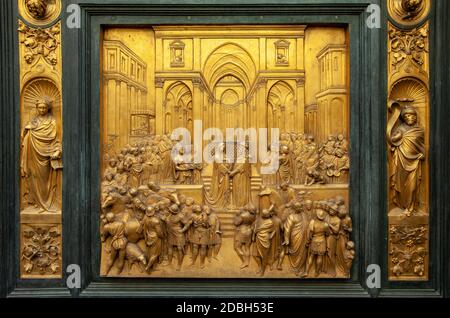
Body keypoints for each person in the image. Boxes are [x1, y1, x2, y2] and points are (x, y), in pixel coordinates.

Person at [21, 98, 62, 212]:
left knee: (44, 180)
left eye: (44, 107)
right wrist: (25, 130)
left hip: (47, 153)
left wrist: (57, 150)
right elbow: (24, 135)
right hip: (32, 153)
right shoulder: (33, 122)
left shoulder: (52, 121)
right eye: (40, 107)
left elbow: (57, 139)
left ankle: (46, 203)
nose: (42, 109)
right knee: (33, 177)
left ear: (48, 108)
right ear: (37, 108)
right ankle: (36, 202)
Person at [387, 105, 425, 215]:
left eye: (412, 115)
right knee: (401, 184)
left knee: (412, 186)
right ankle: (401, 204)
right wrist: (396, 137)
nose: (410, 117)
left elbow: (422, 146)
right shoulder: (401, 129)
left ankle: (411, 207)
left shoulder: (419, 130)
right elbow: (392, 140)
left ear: (415, 117)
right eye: (407, 115)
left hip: (414, 162)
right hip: (401, 160)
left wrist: (422, 154)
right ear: (403, 117)